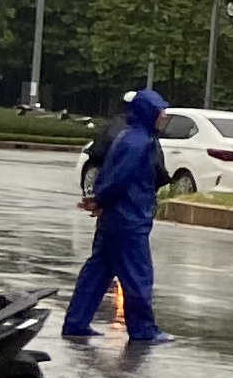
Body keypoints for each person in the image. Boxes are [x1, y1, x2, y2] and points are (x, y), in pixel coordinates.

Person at [67, 87, 169, 345]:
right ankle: (143, 330)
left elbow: (108, 174)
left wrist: (98, 201)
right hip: (130, 219)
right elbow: (120, 178)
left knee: (97, 271)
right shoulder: (141, 143)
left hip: (114, 217)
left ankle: (76, 323)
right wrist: (101, 199)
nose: (164, 117)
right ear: (149, 113)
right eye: (161, 113)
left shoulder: (126, 136)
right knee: (138, 276)